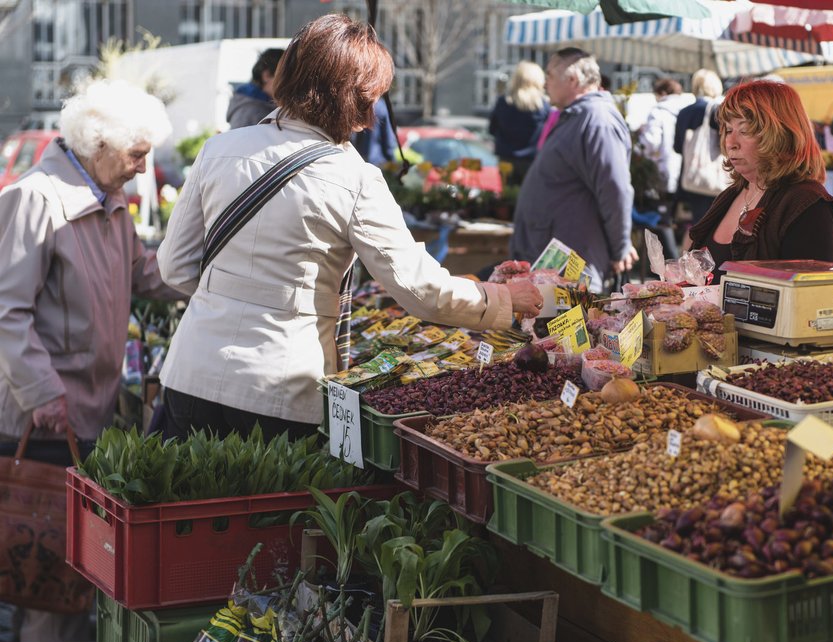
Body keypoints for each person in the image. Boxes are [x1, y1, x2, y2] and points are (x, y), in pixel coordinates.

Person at [156, 15, 543, 440]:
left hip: (192, 370)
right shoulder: (353, 177)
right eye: (373, 96)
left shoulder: (219, 150)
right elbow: (421, 291)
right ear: (353, 98)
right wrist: (502, 298)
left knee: (189, 506)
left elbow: (175, 266)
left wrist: (230, 297)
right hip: (280, 390)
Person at [0, 78, 180, 642]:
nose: (141, 168)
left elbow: (145, 276)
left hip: (89, 416)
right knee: (48, 573)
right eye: (137, 154)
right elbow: (6, 311)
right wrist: (41, 393)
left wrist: (208, 276)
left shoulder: (111, 203)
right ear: (99, 143)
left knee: (75, 570)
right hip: (44, 418)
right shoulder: (34, 198)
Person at [511, 48, 636, 292]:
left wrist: (620, 246)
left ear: (573, 80)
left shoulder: (598, 119)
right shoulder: (576, 116)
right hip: (553, 262)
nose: (545, 83)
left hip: (572, 266)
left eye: (549, 75)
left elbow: (615, 188)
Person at [688, 80, 833, 279]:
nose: (731, 143)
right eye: (728, 130)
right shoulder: (732, 194)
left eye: (745, 130)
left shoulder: (806, 203)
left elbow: (806, 296)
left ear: (780, 134)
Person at [674, 69, 725, 229]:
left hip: (692, 178)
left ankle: (696, 253)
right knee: (718, 224)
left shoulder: (684, 112)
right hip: (715, 178)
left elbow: (677, 147)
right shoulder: (718, 111)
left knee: (698, 223)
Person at [489, 61, 550, 184]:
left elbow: (491, 129)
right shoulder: (543, 106)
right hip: (532, 161)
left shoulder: (503, 102)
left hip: (506, 159)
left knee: (507, 199)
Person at [637, 78, 694, 197]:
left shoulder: (658, 111)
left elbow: (651, 142)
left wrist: (641, 136)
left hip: (665, 168)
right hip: (689, 171)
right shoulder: (689, 109)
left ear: (662, 93)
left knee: (666, 208)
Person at [226, 47, 284, 129]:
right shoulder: (251, 110)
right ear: (266, 75)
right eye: (285, 77)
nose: (289, 84)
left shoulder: (251, 104)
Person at [353, 97, 397, 166]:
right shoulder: (381, 106)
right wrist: (392, 158)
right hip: (377, 159)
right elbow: (388, 137)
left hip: (359, 157)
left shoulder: (358, 103)